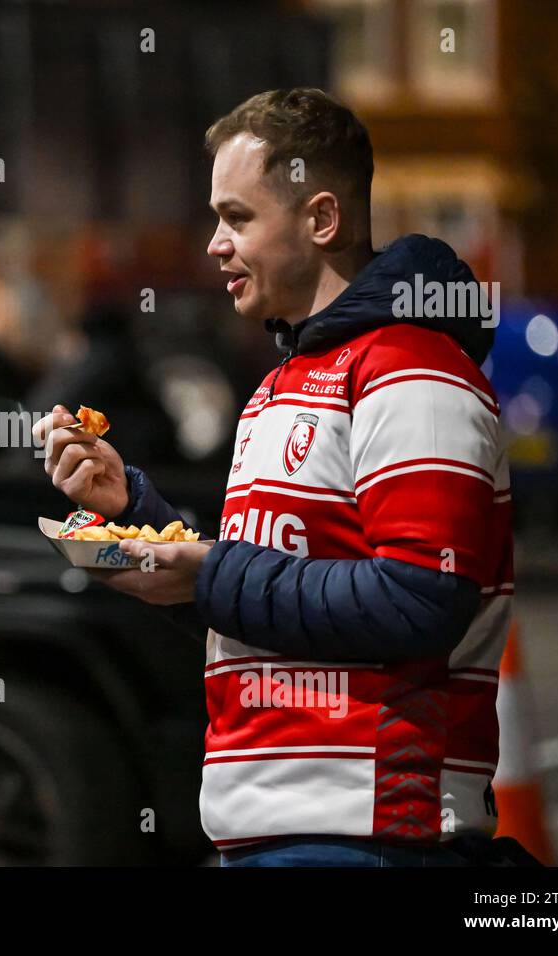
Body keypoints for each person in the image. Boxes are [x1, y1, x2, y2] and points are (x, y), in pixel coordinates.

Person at [34, 89, 513, 867]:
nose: (216, 244)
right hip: (275, 830)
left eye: (238, 217)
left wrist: (207, 571)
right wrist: (137, 512)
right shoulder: (284, 380)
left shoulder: (412, 368)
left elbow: (423, 597)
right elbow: (272, 606)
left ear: (322, 220)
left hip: (368, 833)